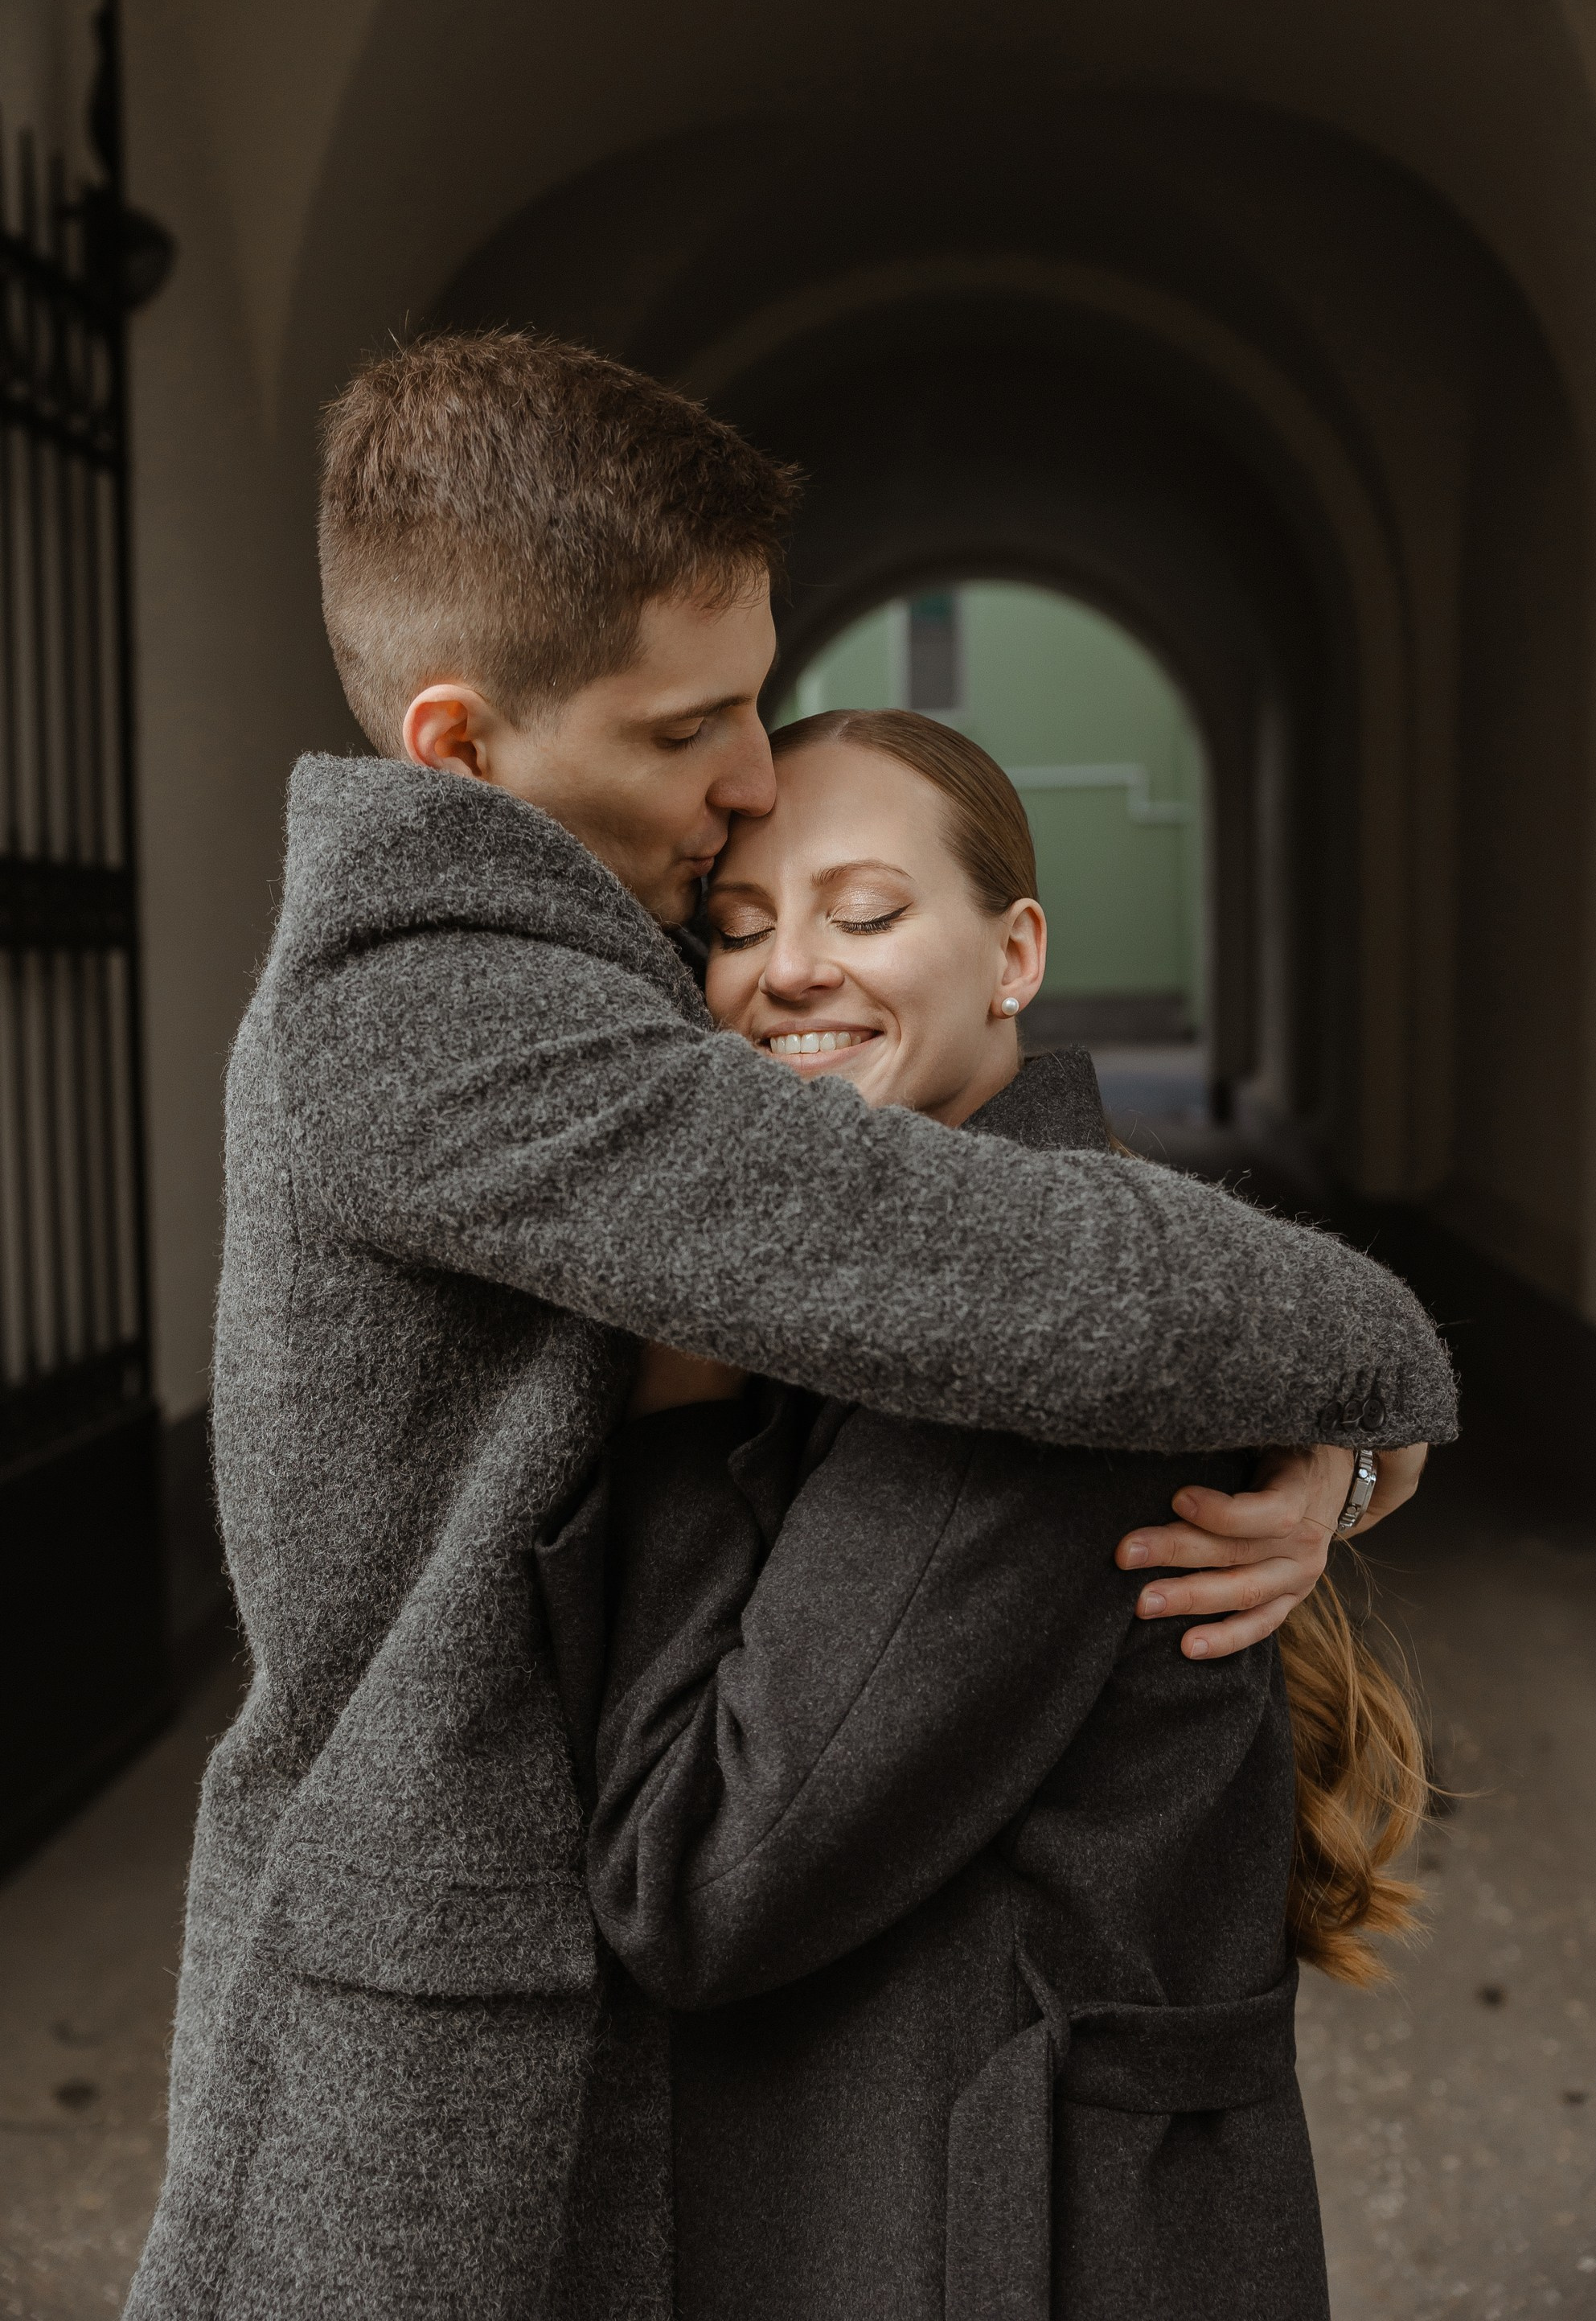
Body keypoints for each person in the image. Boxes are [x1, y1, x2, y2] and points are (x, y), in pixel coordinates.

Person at [125, 334, 1452, 2321]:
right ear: (458, 749)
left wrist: (1338, 1448)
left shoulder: (601, 945)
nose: (748, 783)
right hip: (429, 2051)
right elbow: (976, 1264)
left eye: (753, 701)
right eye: (691, 734)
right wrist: (1381, 1365)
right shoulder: (435, 1020)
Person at [548, 710, 1429, 2321]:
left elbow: (695, 1883)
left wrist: (673, 1411)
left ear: (1011, 954)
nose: (786, 972)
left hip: (998, 2244)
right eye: (735, 931)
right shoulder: (919, 1278)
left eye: (867, 914)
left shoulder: (1019, 1354)